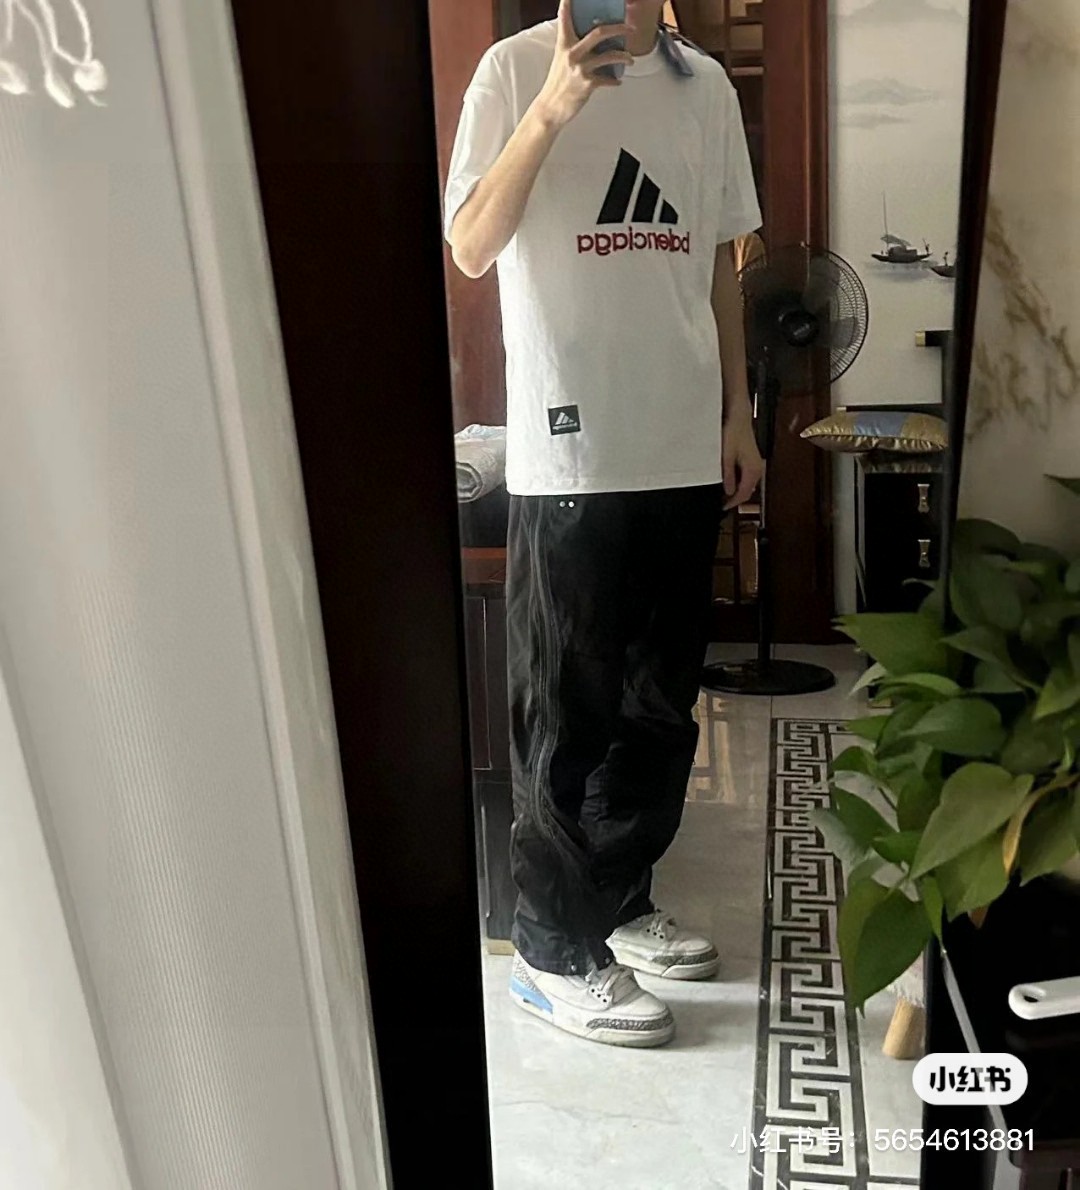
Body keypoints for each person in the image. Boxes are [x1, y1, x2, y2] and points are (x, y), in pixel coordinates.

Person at [444, 0, 764, 1048]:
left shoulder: (705, 88)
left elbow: (716, 261)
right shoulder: (512, 71)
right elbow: (471, 245)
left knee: (658, 711)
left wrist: (739, 415)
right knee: (565, 716)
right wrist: (553, 108)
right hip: (570, 451)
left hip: (681, 443)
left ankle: (619, 901)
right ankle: (548, 950)